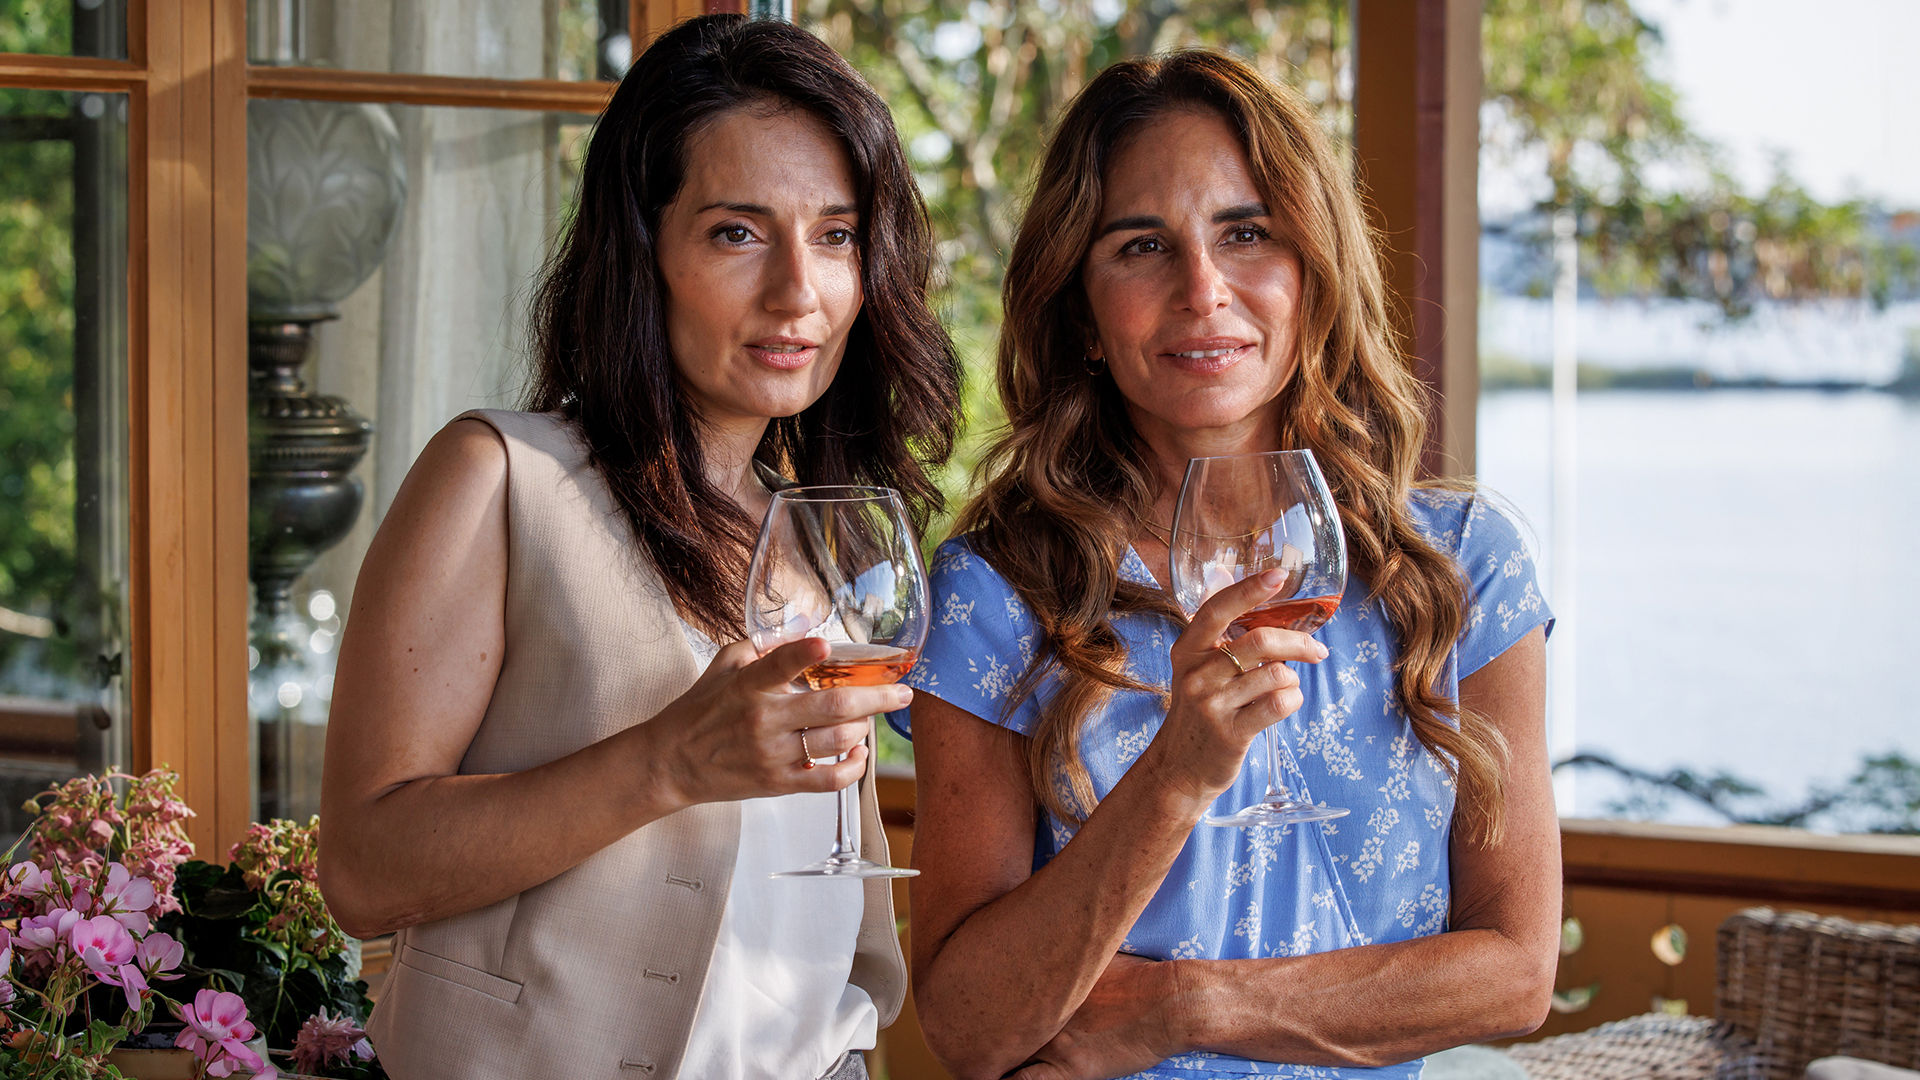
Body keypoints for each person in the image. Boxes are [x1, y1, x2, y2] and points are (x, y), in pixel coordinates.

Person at [316, 15, 961, 1080]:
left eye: (837, 236)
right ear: (641, 250)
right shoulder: (502, 478)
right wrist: (667, 762)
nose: (798, 291)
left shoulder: (828, 530)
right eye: (737, 233)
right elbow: (362, 870)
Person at [898, 50, 1558, 1080]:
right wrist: (1176, 775)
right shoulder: (996, 595)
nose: (1202, 290)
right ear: (1080, 313)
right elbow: (971, 1028)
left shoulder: (1463, 564)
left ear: (1313, 275)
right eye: (1142, 246)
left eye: (1247, 233)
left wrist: (1181, 1005)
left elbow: (1514, 977)